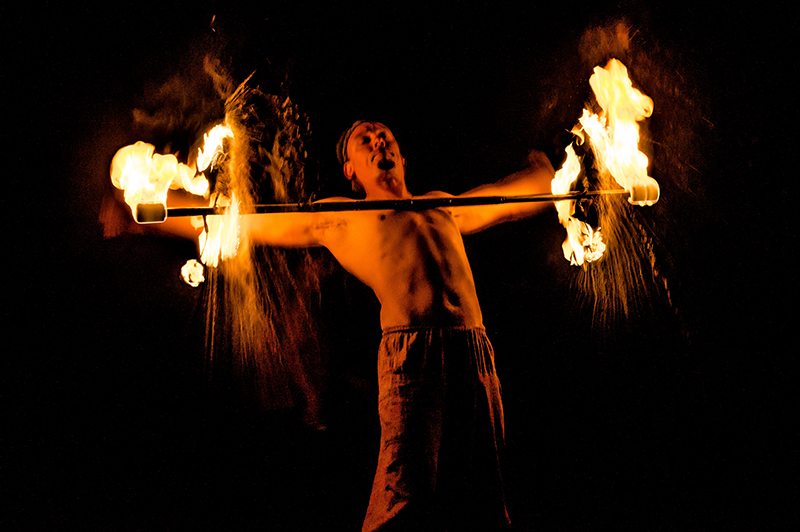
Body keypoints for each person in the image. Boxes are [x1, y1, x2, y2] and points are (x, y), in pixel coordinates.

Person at [247, 121, 555, 531]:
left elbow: (504, 201)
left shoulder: (441, 204)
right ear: (350, 171)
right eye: (365, 140)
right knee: (402, 500)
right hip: (412, 356)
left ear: (402, 157)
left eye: (385, 137)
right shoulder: (343, 215)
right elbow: (253, 224)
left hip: (474, 351)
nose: (378, 142)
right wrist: (186, 212)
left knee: (485, 497)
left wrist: (546, 175)